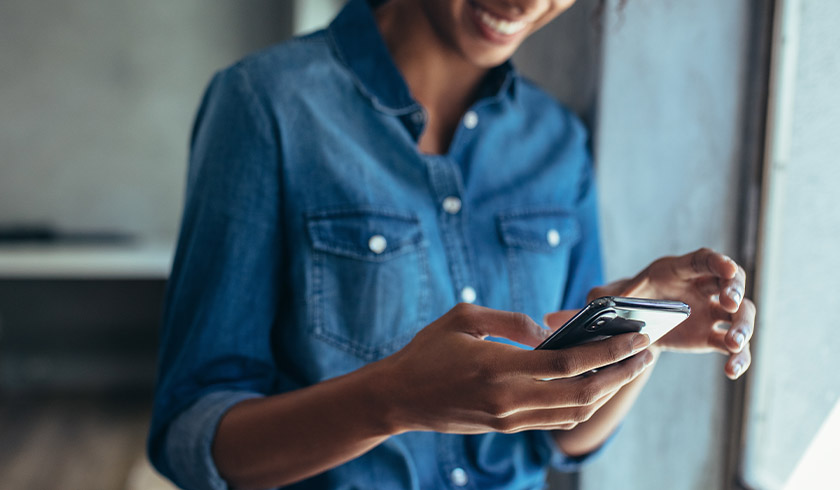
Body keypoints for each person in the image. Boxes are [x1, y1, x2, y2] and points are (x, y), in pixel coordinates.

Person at [148, 0, 756, 488]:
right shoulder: (265, 105)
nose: (527, 3)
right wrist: (390, 400)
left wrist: (636, 327)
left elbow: (564, 439)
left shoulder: (556, 142)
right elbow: (191, 438)